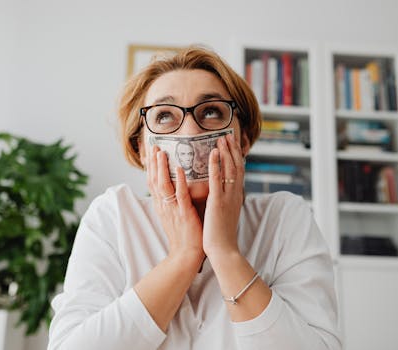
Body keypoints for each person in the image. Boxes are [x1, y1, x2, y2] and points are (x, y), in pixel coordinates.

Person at [47, 46, 341, 350]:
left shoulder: (284, 218)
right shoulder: (113, 216)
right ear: (141, 150)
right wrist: (183, 256)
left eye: (211, 112)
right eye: (164, 116)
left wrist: (224, 251)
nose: (189, 131)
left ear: (242, 140)